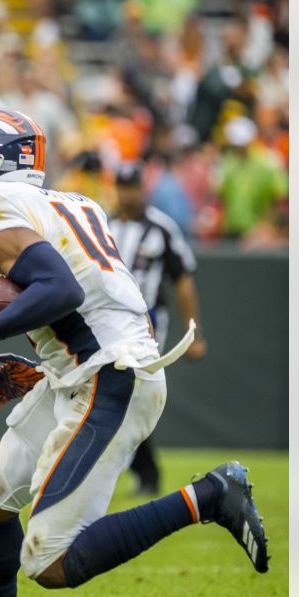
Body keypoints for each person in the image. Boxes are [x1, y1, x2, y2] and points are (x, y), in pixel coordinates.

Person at [0, 107, 269, 597]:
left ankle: (209, 496)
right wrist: (46, 365)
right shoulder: (76, 204)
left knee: (50, 561)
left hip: (107, 377)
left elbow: (60, 291)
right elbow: (106, 304)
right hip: (93, 367)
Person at [111, 163, 207, 494]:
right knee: (123, 394)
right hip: (107, 321)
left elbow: (182, 279)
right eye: (123, 187)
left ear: (142, 188)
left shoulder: (161, 229)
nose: (128, 194)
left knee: (135, 391)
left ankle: (141, 471)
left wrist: (193, 332)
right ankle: (142, 470)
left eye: (133, 187)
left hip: (148, 321)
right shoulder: (103, 226)